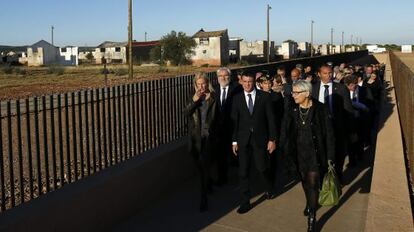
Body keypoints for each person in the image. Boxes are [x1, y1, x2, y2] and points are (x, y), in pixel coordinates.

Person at [280, 80, 335, 232]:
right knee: (304, 181)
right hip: (298, 153)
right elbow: (285, 130)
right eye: (293, 92)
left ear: (307, 93)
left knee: (312, 182)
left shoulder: (321, 109)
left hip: (315, 153)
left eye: (296, 93)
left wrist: (331, 156)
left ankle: (312, 216)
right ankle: (310, 202)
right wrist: (283, 149)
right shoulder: (292, 109)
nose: (293, 95)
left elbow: (329, 134)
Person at [231, 70, 278, 214]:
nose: (247, 84)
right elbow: (234, 121)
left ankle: (269, 187)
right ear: (241, 81)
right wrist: (234, 141)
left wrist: (272, 139)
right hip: (243, 140)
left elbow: (271, 119)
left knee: (262, 168)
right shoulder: (237, 98)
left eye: (250, 81)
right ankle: (245, 202)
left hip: (260, 139)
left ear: (254, 82)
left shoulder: (264, 97)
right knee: (243, 171)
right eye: (244, 81)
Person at [312, 65, 353, 184]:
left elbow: (348, 110)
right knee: (321, 156)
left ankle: (338, 178)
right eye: (325, 73)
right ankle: (324, 180)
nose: (328, 75)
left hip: (337, 129)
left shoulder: (341, 88)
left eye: (330, 73)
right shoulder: (313, 89)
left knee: (338, 155)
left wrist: (351, 130)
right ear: (319, 74)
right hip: (319, 130)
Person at [185, 72, 217, 212]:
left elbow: (219, 117)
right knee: (200, 167)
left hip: (209, 138)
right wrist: (195, 101)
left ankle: (203, 198)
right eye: (199, 84)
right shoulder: (192, 97)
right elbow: (185, 113)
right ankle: (208, 182)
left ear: (207, 83)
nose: (201, 86)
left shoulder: (213, 97)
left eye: (203, 83)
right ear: (195, 85)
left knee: (204, 167)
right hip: (195, 139)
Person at [213, 67, 241, 185]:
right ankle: (222, 178)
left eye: (226, 76)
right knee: (221, 156)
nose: (223, 78)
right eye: (221, 76)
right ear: (217, 78)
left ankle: (241, 177)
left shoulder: (238, 89)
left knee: (237, 155)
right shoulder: (214, 90)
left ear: (230, 77)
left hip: (234, 128)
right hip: (219, 130)